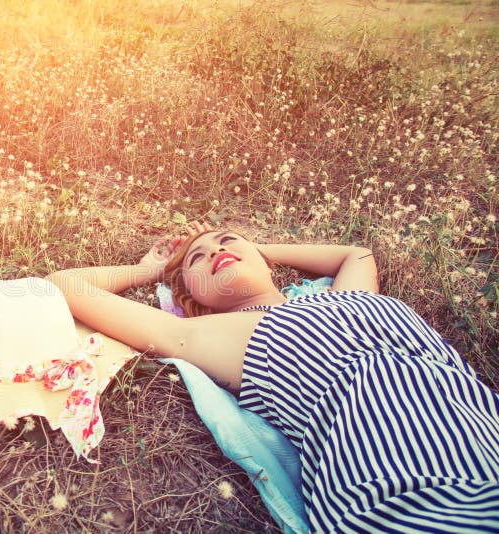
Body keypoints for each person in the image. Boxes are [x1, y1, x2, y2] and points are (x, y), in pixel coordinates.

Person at [46, 222, 499, 533]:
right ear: (193, 300)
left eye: (228, 241)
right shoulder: (221, 336)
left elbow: (357, 255)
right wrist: (150, 270)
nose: (216, 250)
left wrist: (257, 250)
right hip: (409, 492)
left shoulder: (347, 297)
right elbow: (64, 285)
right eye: (198, 260)